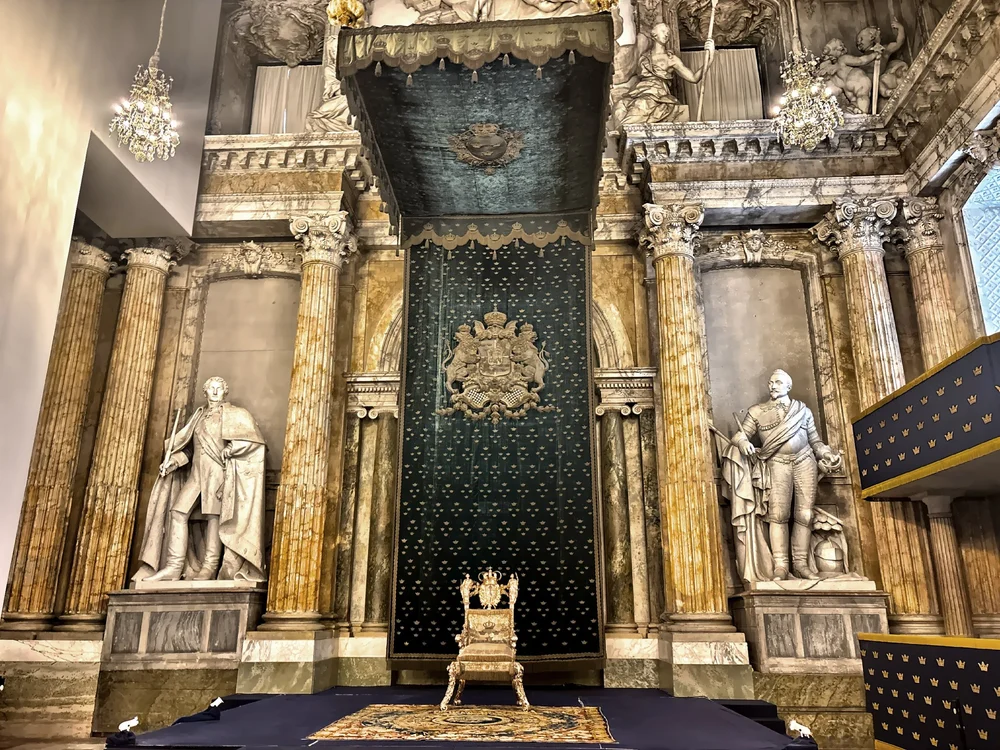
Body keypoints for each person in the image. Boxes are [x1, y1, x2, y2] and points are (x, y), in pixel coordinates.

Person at [134, 377, 267, 583]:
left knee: (214, 517)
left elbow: (252, 441)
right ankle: (173, 566)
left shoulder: (235, 415)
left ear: (225, 392)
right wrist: (173, 463)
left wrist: (233, 448)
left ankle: (209, 567)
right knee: (178, 512)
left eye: (219, 388)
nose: (215, 392)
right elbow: (188, 449)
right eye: (211, 389)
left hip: (218, 473)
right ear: (205, 393)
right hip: (197, 475)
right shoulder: (197, 418)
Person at [727, 370, 842, 581]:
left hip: (804, 460)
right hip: (776, 462)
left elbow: (815, 441)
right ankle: (780, 566)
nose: (773, 386)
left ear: (788, 386)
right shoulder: (757, 411)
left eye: (778, 382)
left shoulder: (803, 411)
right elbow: (740, 435)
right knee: (778, 515)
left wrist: (826, 453)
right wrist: (743, 443)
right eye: (771, 383)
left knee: (805, 515)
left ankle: (801, 565)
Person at [615, 23, 715, 126]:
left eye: (668, 33)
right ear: (654, 34)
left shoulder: (671, 59)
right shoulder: (643, 57)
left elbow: (693, 78)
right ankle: (621, 130)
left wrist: (709, 60)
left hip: (657, 92)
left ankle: (623, 127)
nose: (666, 34)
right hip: (640, 90)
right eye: (663, 31)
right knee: (620, 105)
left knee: (642, 104)